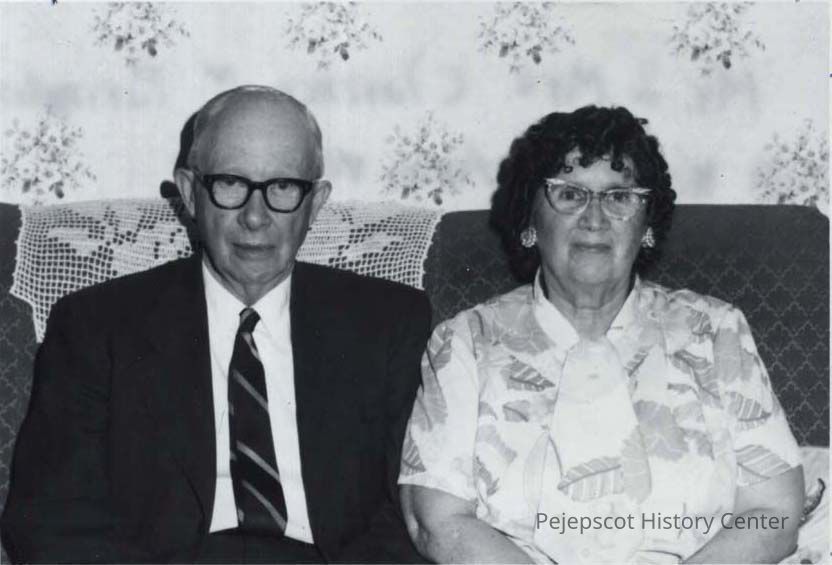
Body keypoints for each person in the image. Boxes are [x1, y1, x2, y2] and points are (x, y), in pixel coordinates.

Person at [1, 85, 431, 564]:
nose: (255, 217)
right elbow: (51, 517)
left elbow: (419, 512)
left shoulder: (390, 322)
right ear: (189, 193)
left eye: (283, 187)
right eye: (230, 183)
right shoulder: (96, 326)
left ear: (315, 202)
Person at [399, 105, 804, 564]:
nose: (595, 218)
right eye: (569, 194)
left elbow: (774, 512)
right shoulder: (465, 342)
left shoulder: (715, 330)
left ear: (646, 226)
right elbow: (439, 520)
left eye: (619, 197)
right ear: (530, 222)